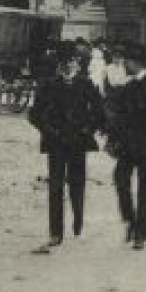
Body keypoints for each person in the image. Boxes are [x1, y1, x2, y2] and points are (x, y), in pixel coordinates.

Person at [29, 50, 107, 247]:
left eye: (71, 62)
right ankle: (56, 232)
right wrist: (49, 131)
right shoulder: (48, 86)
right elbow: (34, 115)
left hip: (78, 142)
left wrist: (88, 129)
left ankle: (78, 219)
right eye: (64, 63)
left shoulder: (86, 85)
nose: (68, 66)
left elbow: (99, 112)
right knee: (55, 187)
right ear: (58, 66)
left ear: (78, 65)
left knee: (77, 184)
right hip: (56, 142)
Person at [104, 43, 146, 251]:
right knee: (120, 180)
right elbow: (117, 118)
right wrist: (112, 141)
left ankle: (141, 234)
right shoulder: (127, 87)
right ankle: (130, 220)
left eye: (126, 61)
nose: (123, 65)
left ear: (135, 63)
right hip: (127, 144)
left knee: (144, 189)